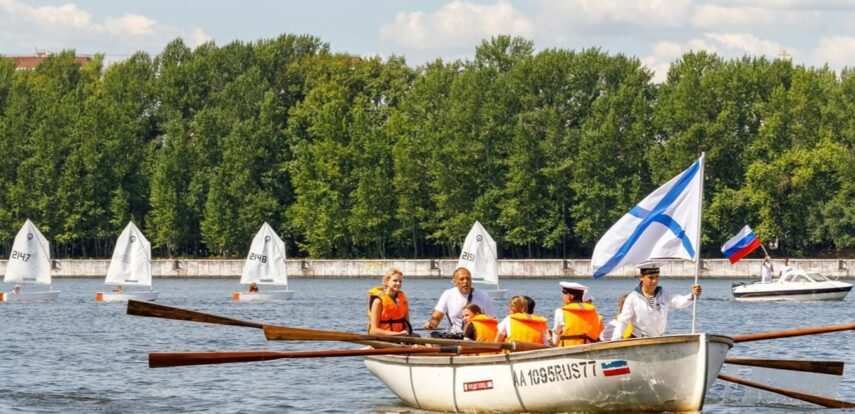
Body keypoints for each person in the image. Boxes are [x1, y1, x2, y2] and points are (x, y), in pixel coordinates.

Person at [610, 261, 701, 341]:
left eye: (657, 277)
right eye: (650, 277)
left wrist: (692, 295)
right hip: (638, 340)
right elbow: (623, 320)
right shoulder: (632, 298)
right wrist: (615, 339)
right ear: (642, 277)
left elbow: (679, 302)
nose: (654, 281)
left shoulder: (664, 293)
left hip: (658, 339)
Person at [424, 267, 495, 336]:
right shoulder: (448, 294)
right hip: (455, 337)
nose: (465, 281)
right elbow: (436, 318)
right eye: (462, 279)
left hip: (476, 337)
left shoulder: (483, 296)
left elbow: (491, 321)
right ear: (455, 282)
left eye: (468, 278)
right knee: (433, 335)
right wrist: (431, 324)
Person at [552, 282, 603, 346]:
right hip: (590, 348)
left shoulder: (561, 311)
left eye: (564, 294)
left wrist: (553, 346)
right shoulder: (593, 311)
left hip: (568, 350)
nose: (563, 297)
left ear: (569, 296)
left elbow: (556, 334)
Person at [368, 268, 412, 336]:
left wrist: (406, 332)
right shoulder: (378, 301)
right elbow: (373, 331)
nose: (398, 283)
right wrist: (397, 334)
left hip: (401, 337)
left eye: (400, 281)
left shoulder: (402, 300)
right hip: (383, 339)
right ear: (386, 282)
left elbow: (407, 324)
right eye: (395, 281)